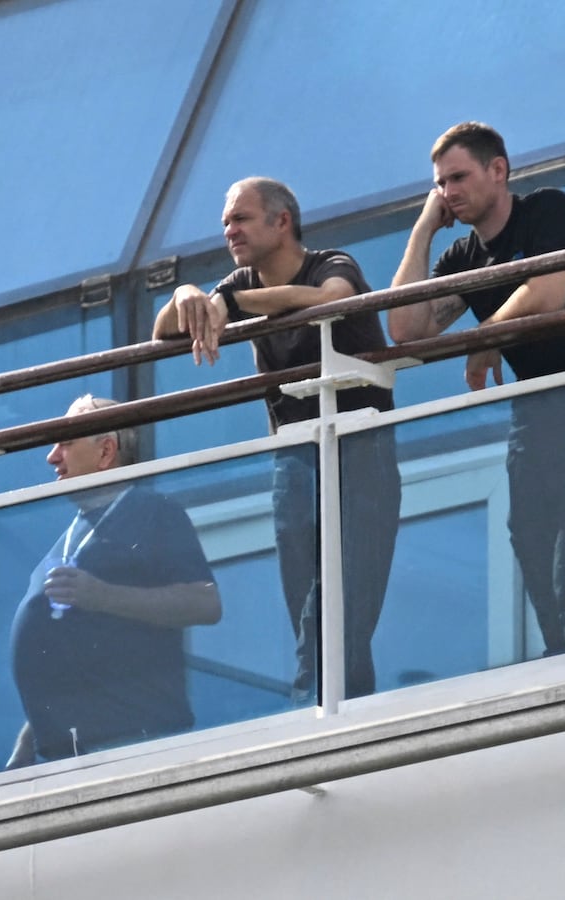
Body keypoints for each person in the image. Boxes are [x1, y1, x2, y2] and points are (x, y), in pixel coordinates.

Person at [388, 121, 565, 656]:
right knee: (529, 542)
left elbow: (547, 291)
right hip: (537, 416)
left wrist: (485, 335)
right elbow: (407, 330)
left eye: (458, 177)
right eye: (440, 184)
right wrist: (423, 230)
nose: (448, 192)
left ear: (498, 170)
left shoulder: (548, 210)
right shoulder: (462, 257)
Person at [151, 177, 399, 701]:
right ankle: (333, 706)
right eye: (226, 222)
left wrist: (233, 303)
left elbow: (333, 301)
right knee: (308, 603)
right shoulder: (238, 281)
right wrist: (189, 293)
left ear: (281, 222)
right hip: (294, 459)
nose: (230, 231)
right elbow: (162, 332)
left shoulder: (332, 263)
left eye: (241, 219)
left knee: (340, 605)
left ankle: (319, 709)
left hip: (359, 453)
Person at [7, 395, 221, 767]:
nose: (52, 457)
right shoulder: (70, 535)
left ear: (106, 451)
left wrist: (102, 596)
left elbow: (205, 602)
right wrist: (30, 737)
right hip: (64, 756)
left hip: (131, 745)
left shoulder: (153, 511)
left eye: (66, 442)